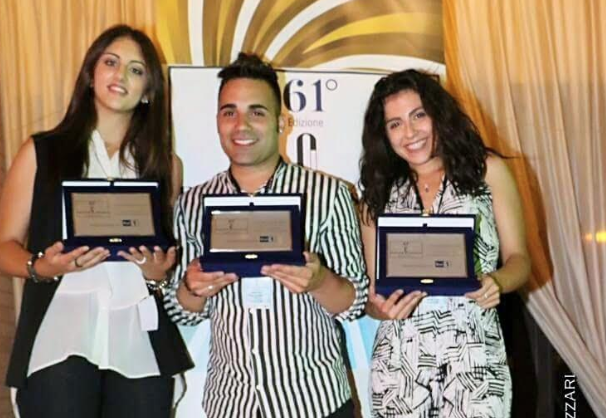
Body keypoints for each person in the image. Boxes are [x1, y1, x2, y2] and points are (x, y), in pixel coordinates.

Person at [0, 24, 192, 418]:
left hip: (139, 333)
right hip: (60, 329)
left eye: (136, 70)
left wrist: (157, 274)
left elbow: (163, 263)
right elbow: (2, 248)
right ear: (91, 74)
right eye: (111, 62)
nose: (121, 75)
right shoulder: (42, 152)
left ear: (149, 90)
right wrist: (42, 267)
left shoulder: (165, 166)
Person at [164, 52, 369, 418]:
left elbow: (354, 302)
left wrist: (319, 281)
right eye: (229, 112)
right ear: (217, 121)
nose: (241, 125)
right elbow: (182, 311)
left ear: (281, 122)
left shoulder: (328, 194)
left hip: (314, 400)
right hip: (232, 402)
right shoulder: (193, 203)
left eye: (256, 112)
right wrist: (192, 288)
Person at [358, 70, 531, 418]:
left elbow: (520, 259)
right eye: (395, 124)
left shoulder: (487, 171)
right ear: (383, 134)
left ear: (439, 114)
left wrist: (497, 281)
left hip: (474, 359)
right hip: (399, 366)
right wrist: (380, 308)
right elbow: (375, 296)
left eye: (418, 115)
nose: (410, 133)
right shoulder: (376, 196)